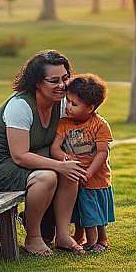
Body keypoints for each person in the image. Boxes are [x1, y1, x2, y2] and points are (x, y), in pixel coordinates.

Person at [0, 50, 87, 256]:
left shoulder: (62, 102)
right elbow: (20, 155)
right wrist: (59, 165)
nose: (62, 85)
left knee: (70, 170)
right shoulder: (20, 106)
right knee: (47, 177)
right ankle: (33, 237)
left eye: (65, 78)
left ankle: (63, 235)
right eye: (53, 81)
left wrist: (68, 162)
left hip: (28, 159)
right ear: (36, 82)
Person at [51, 74, 115, 253]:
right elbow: (55, 148)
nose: (68, 107)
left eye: (74, 104)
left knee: (95, 212)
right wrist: (65, 158)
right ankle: (80, 237)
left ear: (90, 108)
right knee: (80, 209)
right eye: (68, 101)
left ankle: (99, 240)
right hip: (75, 176)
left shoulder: (100, 125)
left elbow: (102, 152)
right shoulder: (64, 124)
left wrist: (90, 172)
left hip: (96, 178)